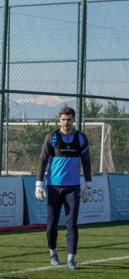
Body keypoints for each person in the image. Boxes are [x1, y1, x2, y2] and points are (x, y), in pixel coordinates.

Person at [35, 106, 92, 270]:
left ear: (74, 120)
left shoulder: (81, 138)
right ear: (59, 120)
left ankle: (71, 259)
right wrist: (39, 184)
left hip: (73, 188)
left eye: (69, 119)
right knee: (52, 223)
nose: (66, 122)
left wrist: (88, 185)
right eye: (63, 119)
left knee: (72, 224)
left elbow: (86, 162)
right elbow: (43, 160)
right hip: (53, 187)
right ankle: (52, 254)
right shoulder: (52, 137)